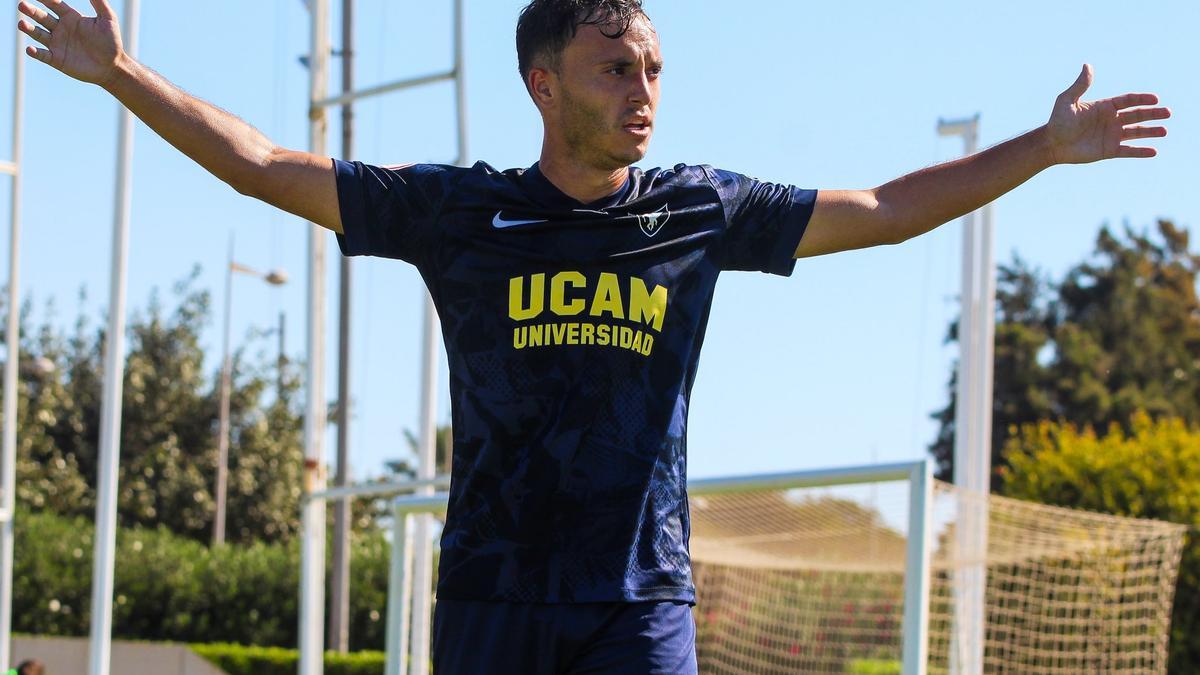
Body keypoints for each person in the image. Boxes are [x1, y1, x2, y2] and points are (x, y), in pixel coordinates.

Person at [17, 0, 1169, 672]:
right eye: (616, 66)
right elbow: (267, 166)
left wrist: (1038, 146)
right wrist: (123, 73)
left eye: (655, 68)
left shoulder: (698, 209)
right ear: (544, 81)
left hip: (639, 603)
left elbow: (882, 210)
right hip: (488, 600)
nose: (644, 89)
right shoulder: (458, 211)